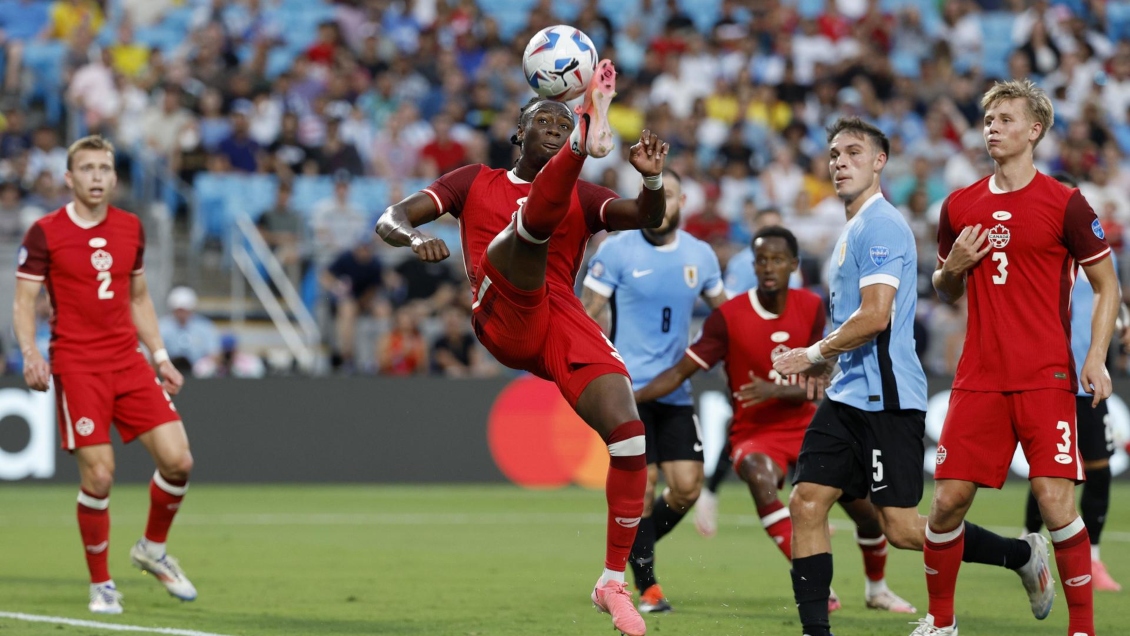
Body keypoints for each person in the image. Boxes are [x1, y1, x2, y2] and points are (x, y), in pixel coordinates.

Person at [377, 60, 665, 636]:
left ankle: (612, 582)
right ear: (518, 132)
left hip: (562, 318)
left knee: (630, 437)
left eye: (565, 123)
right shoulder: (473, 181)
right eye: (545, 121)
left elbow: (646, 219)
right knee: (525, 232)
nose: (553, 127)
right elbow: (391, 217)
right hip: (502, 306)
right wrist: (415, 237)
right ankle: (591, 135)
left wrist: (653, 181)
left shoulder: (584, 196)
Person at [771, 118, 1049, 636]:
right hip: (847, 395)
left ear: (880, 162)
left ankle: (1021, 554)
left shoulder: (882, 225)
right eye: (834, 154)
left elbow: (876, 316)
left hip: (888, 398)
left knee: (900, 529)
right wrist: (830, 361)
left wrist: (813, 353)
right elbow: (855, 319)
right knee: (806, 502)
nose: (840, 162)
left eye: (854, 152)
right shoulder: (852, 227)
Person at [916, 79, 1118, 636]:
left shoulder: (1065, 203)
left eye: (1006, 119)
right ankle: (940, 622)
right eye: (989, 119)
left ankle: (1083, 630)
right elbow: (945, 289)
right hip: (978, 376)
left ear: (1035, 130)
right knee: (947, 503)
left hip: (1044, 375)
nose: (993, 128)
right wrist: (951, 268)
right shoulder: (959, 205)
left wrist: (1096, 357)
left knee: (1055, 501)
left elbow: (1108, 285)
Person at [635, 225, 916, 615]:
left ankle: (877, 589)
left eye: (778, 260)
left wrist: (777, 390)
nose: (769, 267)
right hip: (753, 434)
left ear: (794, 265)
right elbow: (681, 371)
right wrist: (630, 400)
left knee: (868, 515)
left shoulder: (811, 307)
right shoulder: (728, 317)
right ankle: (815, 582)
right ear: (753, 265)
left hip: (809, 428)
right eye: (762, 260)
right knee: (758, 475)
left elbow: (823, 381)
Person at [12, 135, 196, 615]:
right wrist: (30, 353)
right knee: (99, 476)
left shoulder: (131, 227)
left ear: (115, 178)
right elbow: (24, 301)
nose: (96, 177)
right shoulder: (45, 232)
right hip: (77, 365)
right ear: (69, 178)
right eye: (87, 168)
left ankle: (152, 549)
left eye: (104, 168)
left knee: (179, 461)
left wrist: (160, 356)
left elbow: (139, 297)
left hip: (128, 361)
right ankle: (101, 584)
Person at [580, 168, 726, 613]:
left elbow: (728, 317)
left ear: (683, 204)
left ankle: (629, 550)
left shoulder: (701, 255)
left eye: (672, 195)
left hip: (675, 390)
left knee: (686, 488)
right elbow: (587, 314)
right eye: (657, 195)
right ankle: (648, 587)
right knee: (642, 491)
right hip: (627, 393)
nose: (664, 203)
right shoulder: (617, 249)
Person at [1020, 173, 1123, 593]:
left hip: (1089, 379)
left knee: (1099, 470)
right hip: (1047, 378)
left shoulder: (1096, 251)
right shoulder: (1036, 253)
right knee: (1047, 472)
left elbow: (1111, 297)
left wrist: (1122, 324)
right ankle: (1030, 548)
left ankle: (1092, 558)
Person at [158, 286, 221, 376]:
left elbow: (214, 353)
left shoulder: (205, 327)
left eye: (184, 310)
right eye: (178, 310)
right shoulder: (163, 327)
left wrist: (205, 365)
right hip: (169, 368)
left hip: (199, 374)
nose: (181, 314)